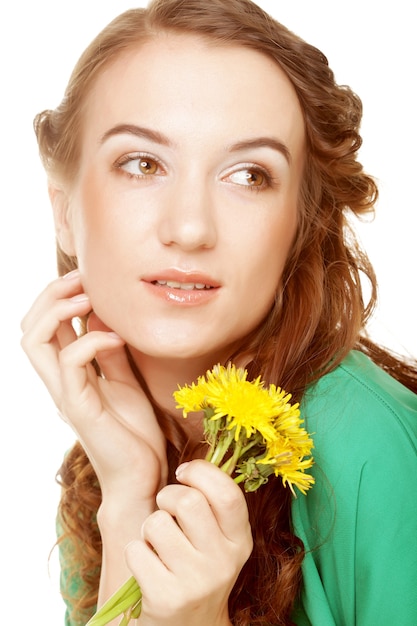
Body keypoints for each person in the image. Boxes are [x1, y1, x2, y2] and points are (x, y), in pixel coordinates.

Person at [20, 0, 417, 624]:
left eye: (249, 175)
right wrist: (129, 497)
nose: (190, 228)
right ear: (64, 210)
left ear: (298, 226)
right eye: (143, 164)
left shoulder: (368, 449)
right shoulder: (116, 450)